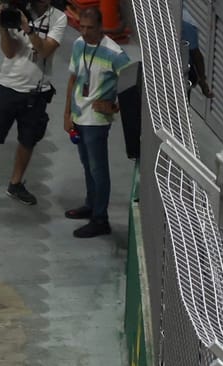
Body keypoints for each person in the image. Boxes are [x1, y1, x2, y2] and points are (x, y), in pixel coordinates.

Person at [0, 0, 64, 209]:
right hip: (8, 86)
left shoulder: (58, 18)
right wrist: (4, 26)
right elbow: (9, 52)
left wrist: (28, 29)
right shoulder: (17, 12)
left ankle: (16, 183)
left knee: (28, 141)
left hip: (37, 91)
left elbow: (45, 51)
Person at [63, 4, 132, 239]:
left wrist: (114, 107)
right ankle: (91, 205)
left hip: (97, 121)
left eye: (89, 28)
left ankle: (100, 219)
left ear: (101, 27)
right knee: (87, 164)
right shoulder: (79, 44)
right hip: (79, 115)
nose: (84, 32)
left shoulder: (115, 53)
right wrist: (67, 114)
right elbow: (73, 79)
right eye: (81, 27)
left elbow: (133, 86)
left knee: (98, 168)